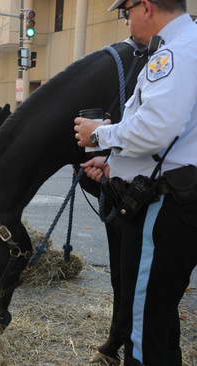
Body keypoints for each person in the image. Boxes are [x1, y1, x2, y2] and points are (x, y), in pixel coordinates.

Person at [74, 0, 197, 364]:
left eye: (125, 10)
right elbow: (179, 139)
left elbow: (157, 129)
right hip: (174, 196)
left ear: (145, 6)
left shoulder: (174, 54)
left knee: (144, 329)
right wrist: (116, 164)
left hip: (164, 207)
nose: (126, 21)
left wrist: (100, 135)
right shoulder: (186, 47)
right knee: (159, 319)